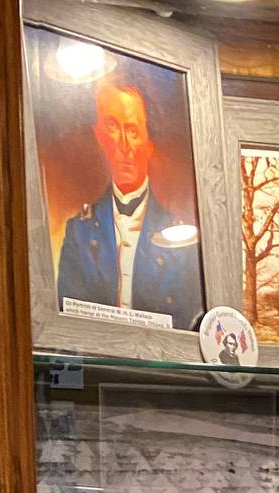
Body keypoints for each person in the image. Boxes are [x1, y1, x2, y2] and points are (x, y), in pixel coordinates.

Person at [56, 76, 203, 323]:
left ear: (150, 142)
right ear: (99, 135)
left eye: (133, 130)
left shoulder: (182, 239)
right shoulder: (78, 232)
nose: (124, 145)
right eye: (113, 126)